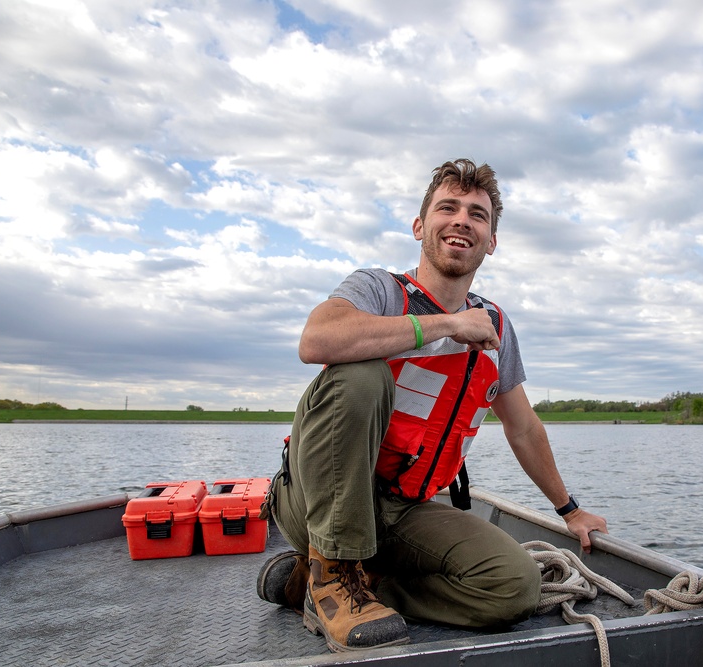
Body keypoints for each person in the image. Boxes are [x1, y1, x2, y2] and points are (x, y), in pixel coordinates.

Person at [257, 158, 609, 653]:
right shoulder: (378, 290)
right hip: (314, 501)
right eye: (448, 207)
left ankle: (344, 585)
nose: (462, 219)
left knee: (515, 587)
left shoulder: (497, 328)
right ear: (421, 226)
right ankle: (333, 574)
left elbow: (524, 428)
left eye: (478, 214)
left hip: (403, 508)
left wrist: (569, 511)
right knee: (361, 373)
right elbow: (316, 340)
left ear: (491, 241)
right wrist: (445, 325)